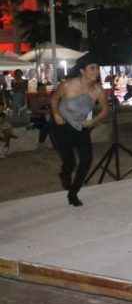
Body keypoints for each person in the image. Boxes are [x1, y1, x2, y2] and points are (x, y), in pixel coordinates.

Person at [49, 53, 109, 206]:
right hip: (61, 125)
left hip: (80, 125)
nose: (96, 71)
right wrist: (56, 114)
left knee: (87, 159)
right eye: (92, 68)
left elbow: (105, 110)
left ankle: (73, 192)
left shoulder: (98, 90)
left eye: (97, 68)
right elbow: (54, 99)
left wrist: (93, 121)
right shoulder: (68, 85)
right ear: (82, 71)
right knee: (70, 162)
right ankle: (64, 174)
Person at [28, 82, 51, 149]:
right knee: (45, 125)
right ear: (37, 90)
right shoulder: (34, 99)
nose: (43, 91)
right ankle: (41, 142)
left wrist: (49, 111)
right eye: (41, 89)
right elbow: (35, 110)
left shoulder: (48, 98)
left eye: (44, 89)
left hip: (47, 117)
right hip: (36, 118)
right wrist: (45, 111)